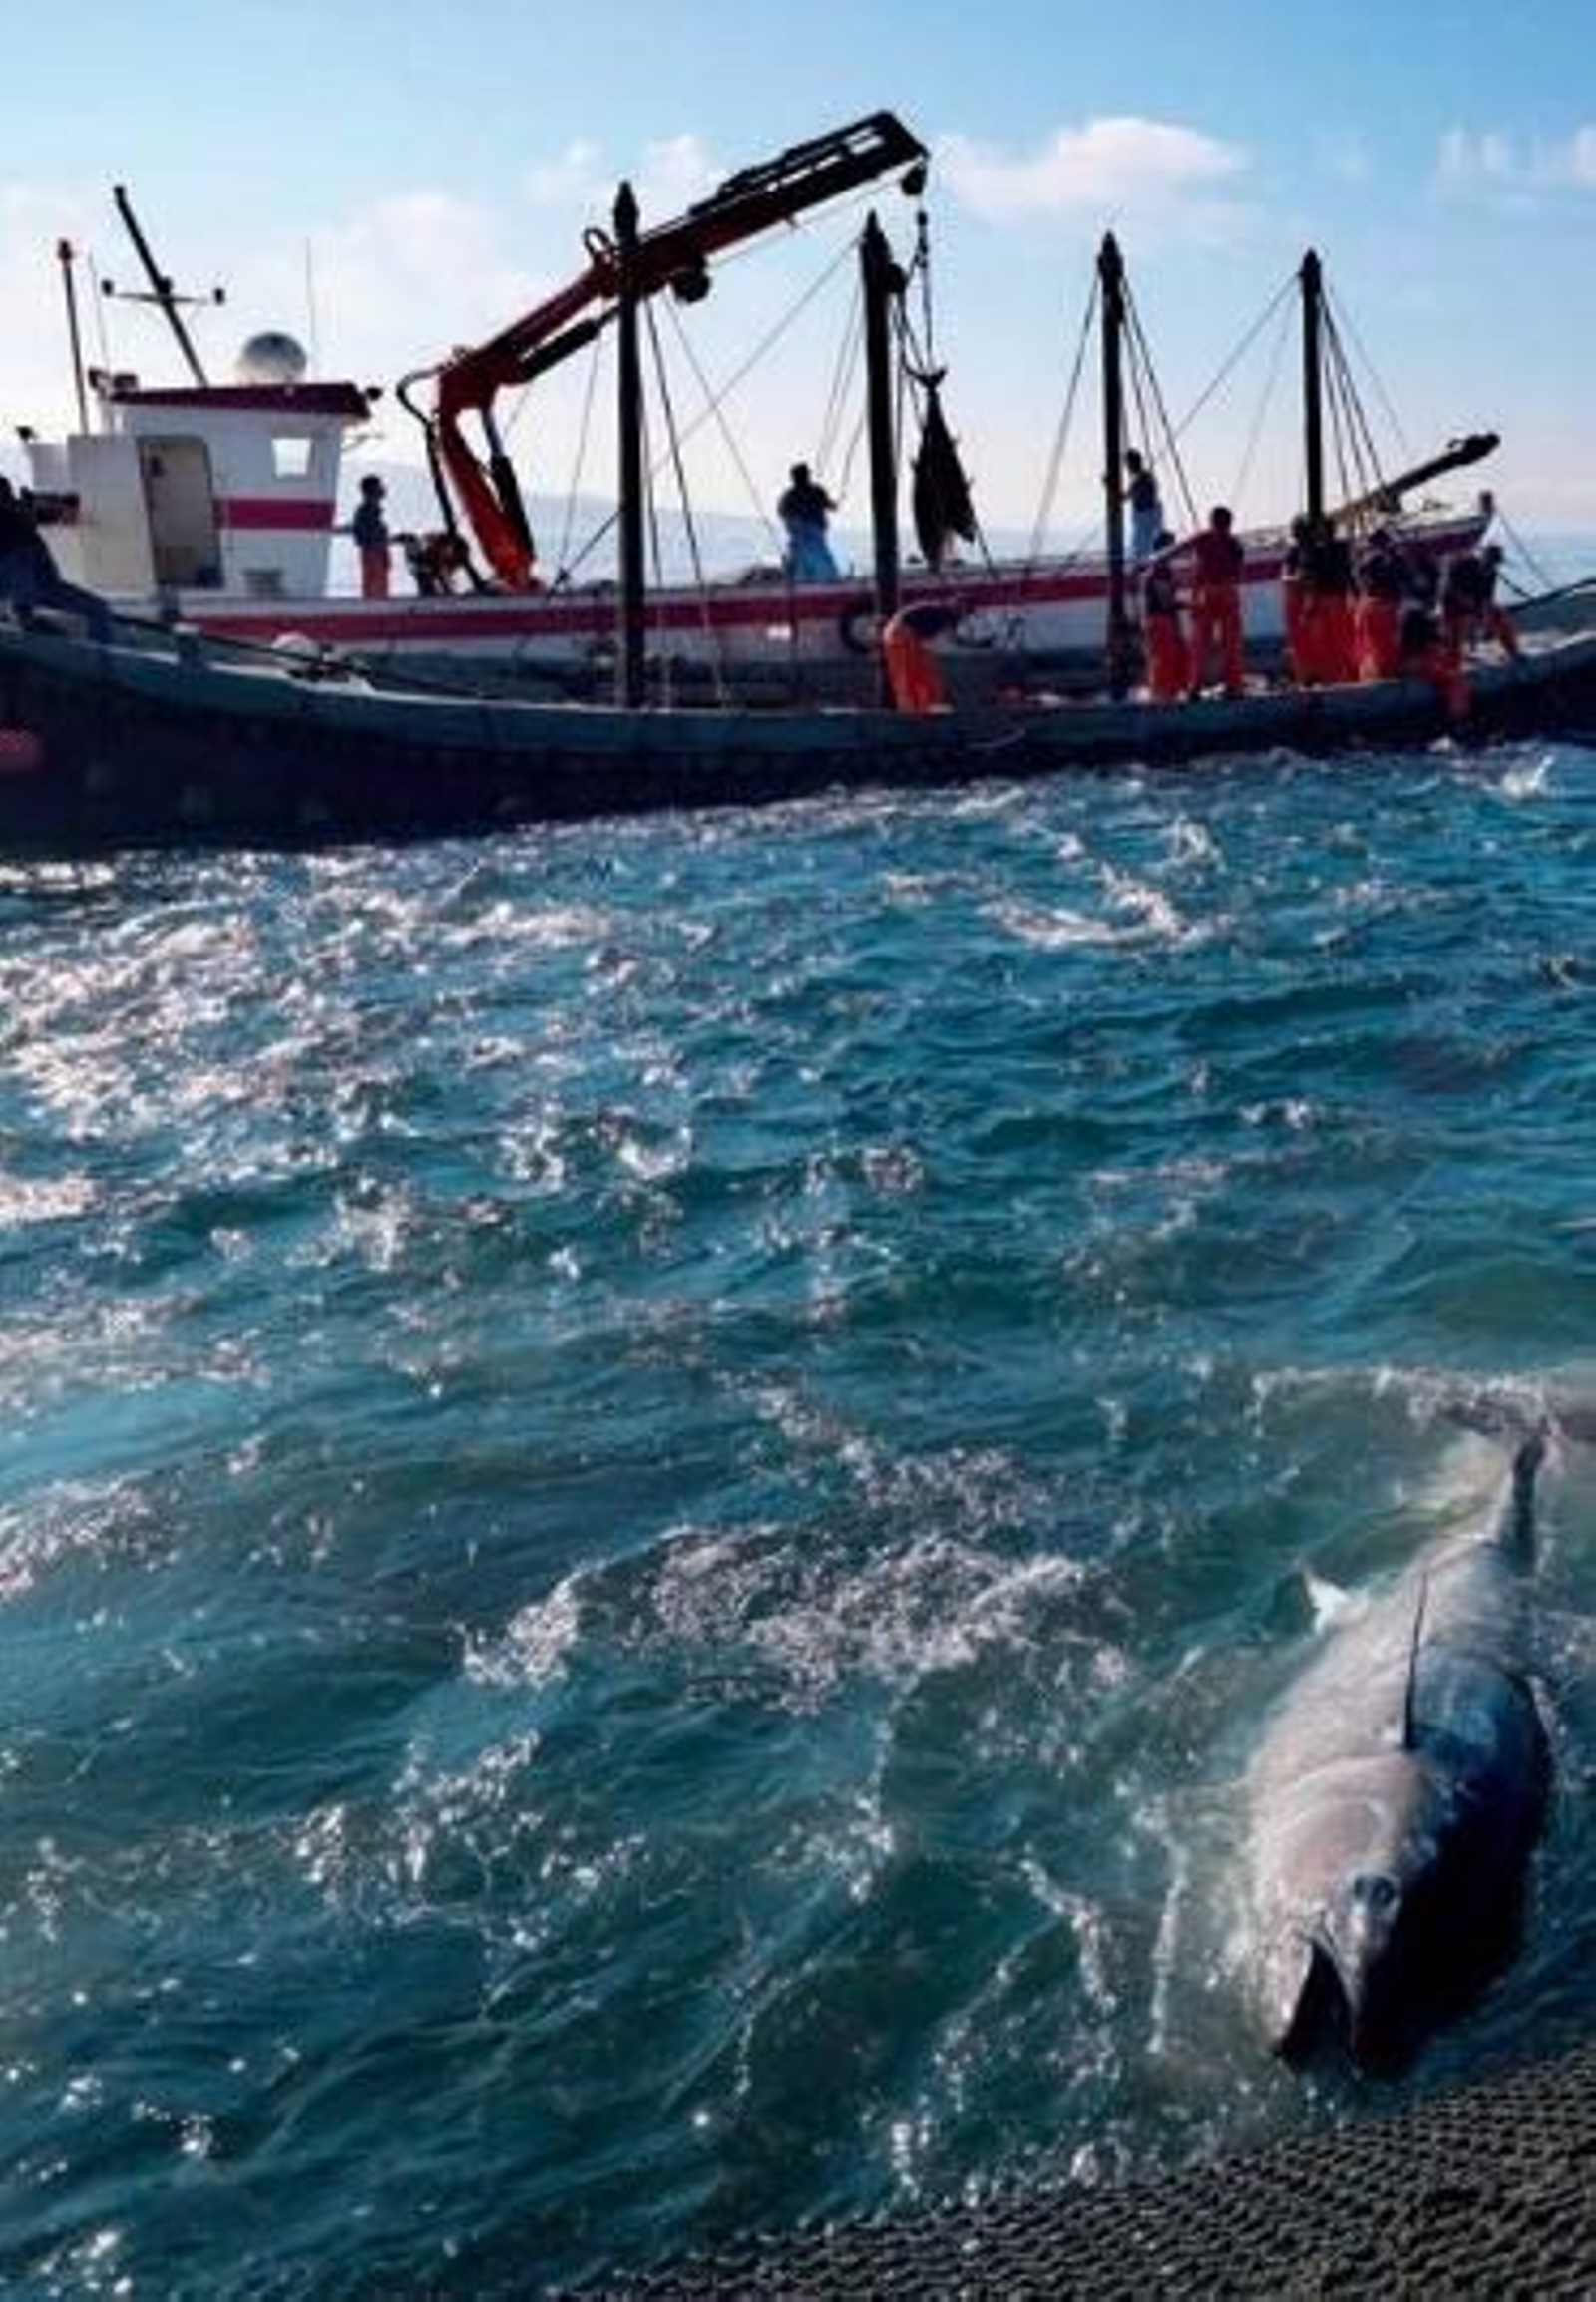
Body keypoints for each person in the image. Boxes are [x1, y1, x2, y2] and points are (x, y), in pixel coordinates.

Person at [0, 478, 115, 643]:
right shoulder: (21, 510)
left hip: (24, 562)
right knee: (98, 609)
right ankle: (84, 655)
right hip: (29, 561)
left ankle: (76, 653)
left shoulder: (19, 512)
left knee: (24, 615)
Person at [1185, 505, 1245, 698]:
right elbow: (1237, 574)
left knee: (1201, 643)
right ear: (1229, 524)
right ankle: (1233, 687)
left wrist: (1155, 559)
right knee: (1230, 643)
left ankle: (1195, 687)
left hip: (1207, 594)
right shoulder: (1235, 544)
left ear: (1212, 522)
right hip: (1227, 593)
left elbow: (1176, 550)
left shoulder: (1204, 538)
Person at [1137, 529, 1189, 701]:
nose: (1176, 550)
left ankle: (1165, 696)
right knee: (1165, 663)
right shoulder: (1160, 571)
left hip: (1158, 622)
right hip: (1160, 623)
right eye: (1173, 546)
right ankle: (1164, 699)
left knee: (1167, 661)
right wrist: (1192, 605)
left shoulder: (1154, 570)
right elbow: (1166, 602)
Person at [777, 462, 839, 582]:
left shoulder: (789, 495)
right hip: (813, 535)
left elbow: (781, 512)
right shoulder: (816, 491)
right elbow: (831, 506)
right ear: (806, 476)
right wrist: (834, 504)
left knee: (800, 566)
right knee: (822, 564)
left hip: (799, 536)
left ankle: (800, 585)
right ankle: (825, 584)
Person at [349, 474, 392, 600]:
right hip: (373, 555)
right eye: (379, 487)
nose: (382, 490)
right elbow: (362, 536)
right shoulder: (366, 511)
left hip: (376, 554)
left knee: (378, 589)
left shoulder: (372, 511)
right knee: (375, 591)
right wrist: (379, 544)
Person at [1124, 450, 1164, 563]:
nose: (1127, 467)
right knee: (1145, 552)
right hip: (1149, 518)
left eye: (1128, 464)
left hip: (1145, 520)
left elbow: (1124, 497)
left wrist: (1109, 486)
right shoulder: (1145, 477)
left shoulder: (1141, 478)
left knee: (1142, 554)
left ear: (1133, 462)